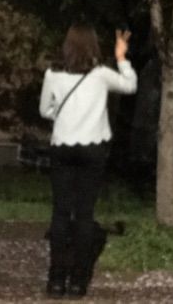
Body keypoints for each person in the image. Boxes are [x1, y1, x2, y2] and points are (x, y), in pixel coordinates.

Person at [39, 24, 137, 298]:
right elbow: (130, 85)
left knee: (60, 213)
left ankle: (55, 280)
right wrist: (121, 57)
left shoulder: (53, 74)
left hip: (62, 147)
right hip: (92, 149)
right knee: (84, 215)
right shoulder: (101, 75)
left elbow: (44, 110)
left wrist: (63, 114)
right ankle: (78, 282)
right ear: (93, 45)